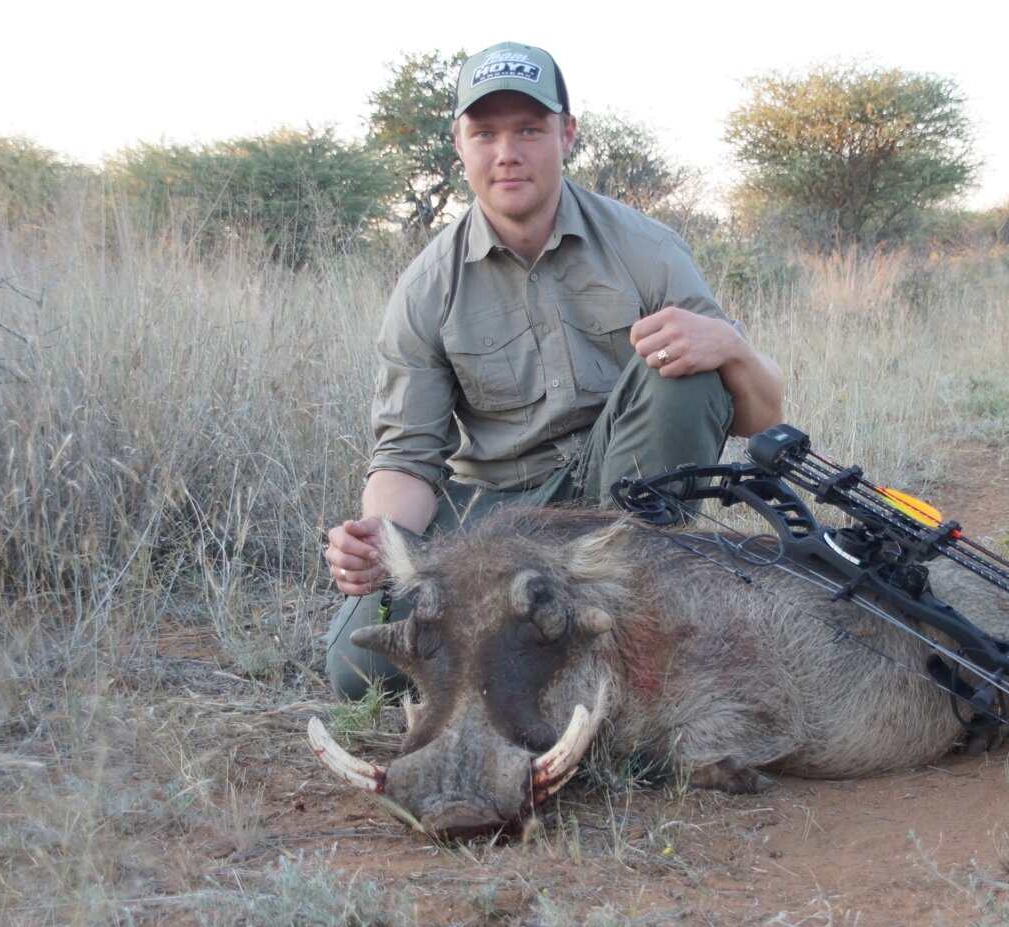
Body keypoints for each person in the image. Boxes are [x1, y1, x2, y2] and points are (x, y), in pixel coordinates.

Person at [323, 42, 783, 698]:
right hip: (494, 512)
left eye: (529, 130)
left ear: (567, 134)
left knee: (682, 373)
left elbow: (762, 414)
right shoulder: (425, 287)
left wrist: (732, 346)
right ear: (459, 143)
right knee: (357, 674)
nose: (506, 152)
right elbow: (405, 457)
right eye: (485, 132)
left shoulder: (646, 250)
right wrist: (381, 538)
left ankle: (647, 620)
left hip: (619, 495)